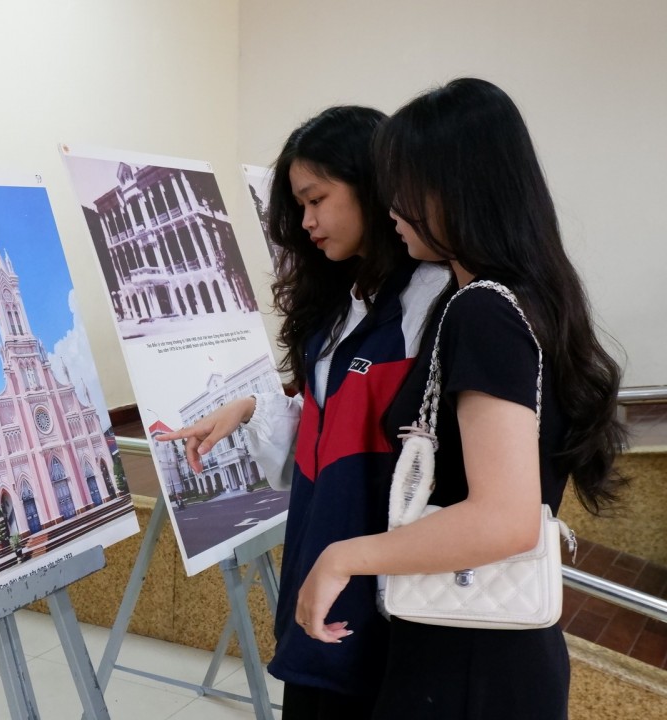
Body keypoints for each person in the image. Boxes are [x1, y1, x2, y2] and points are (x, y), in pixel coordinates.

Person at [296, 78, 627, 719]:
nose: (392, 204)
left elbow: (503, 517)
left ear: (457, 188)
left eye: (405, 183)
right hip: (486, 643)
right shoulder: (533, 299)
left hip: (468, 659)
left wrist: (345, 555)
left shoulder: (481, 311)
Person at [158, 106, 450, 717]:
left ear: (371, 184)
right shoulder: (340, 304)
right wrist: (247, 407)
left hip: (389, 587)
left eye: (317, 200)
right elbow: (336, 421)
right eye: (298, 208)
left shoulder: (434, 303)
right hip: (322, 560)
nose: (308, 223)